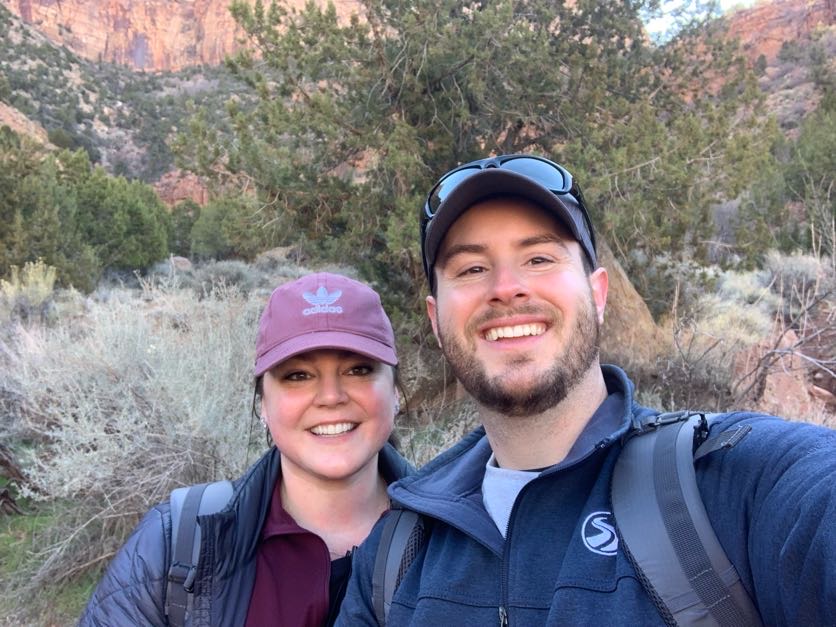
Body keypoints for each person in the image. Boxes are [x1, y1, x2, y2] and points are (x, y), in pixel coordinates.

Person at [336, 155, 836, 625]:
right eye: (471, 269)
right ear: (436, 320)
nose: (506, 287)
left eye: (538, 258)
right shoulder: (395, 554)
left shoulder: (734, 483)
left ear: (598, 295)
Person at [79, 272, 412, 626]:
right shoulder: (175, 543)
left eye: (358, 369)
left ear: (394, 392)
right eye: (298, 375)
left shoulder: (456, 540)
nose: (331, 396)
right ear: (262, 405)